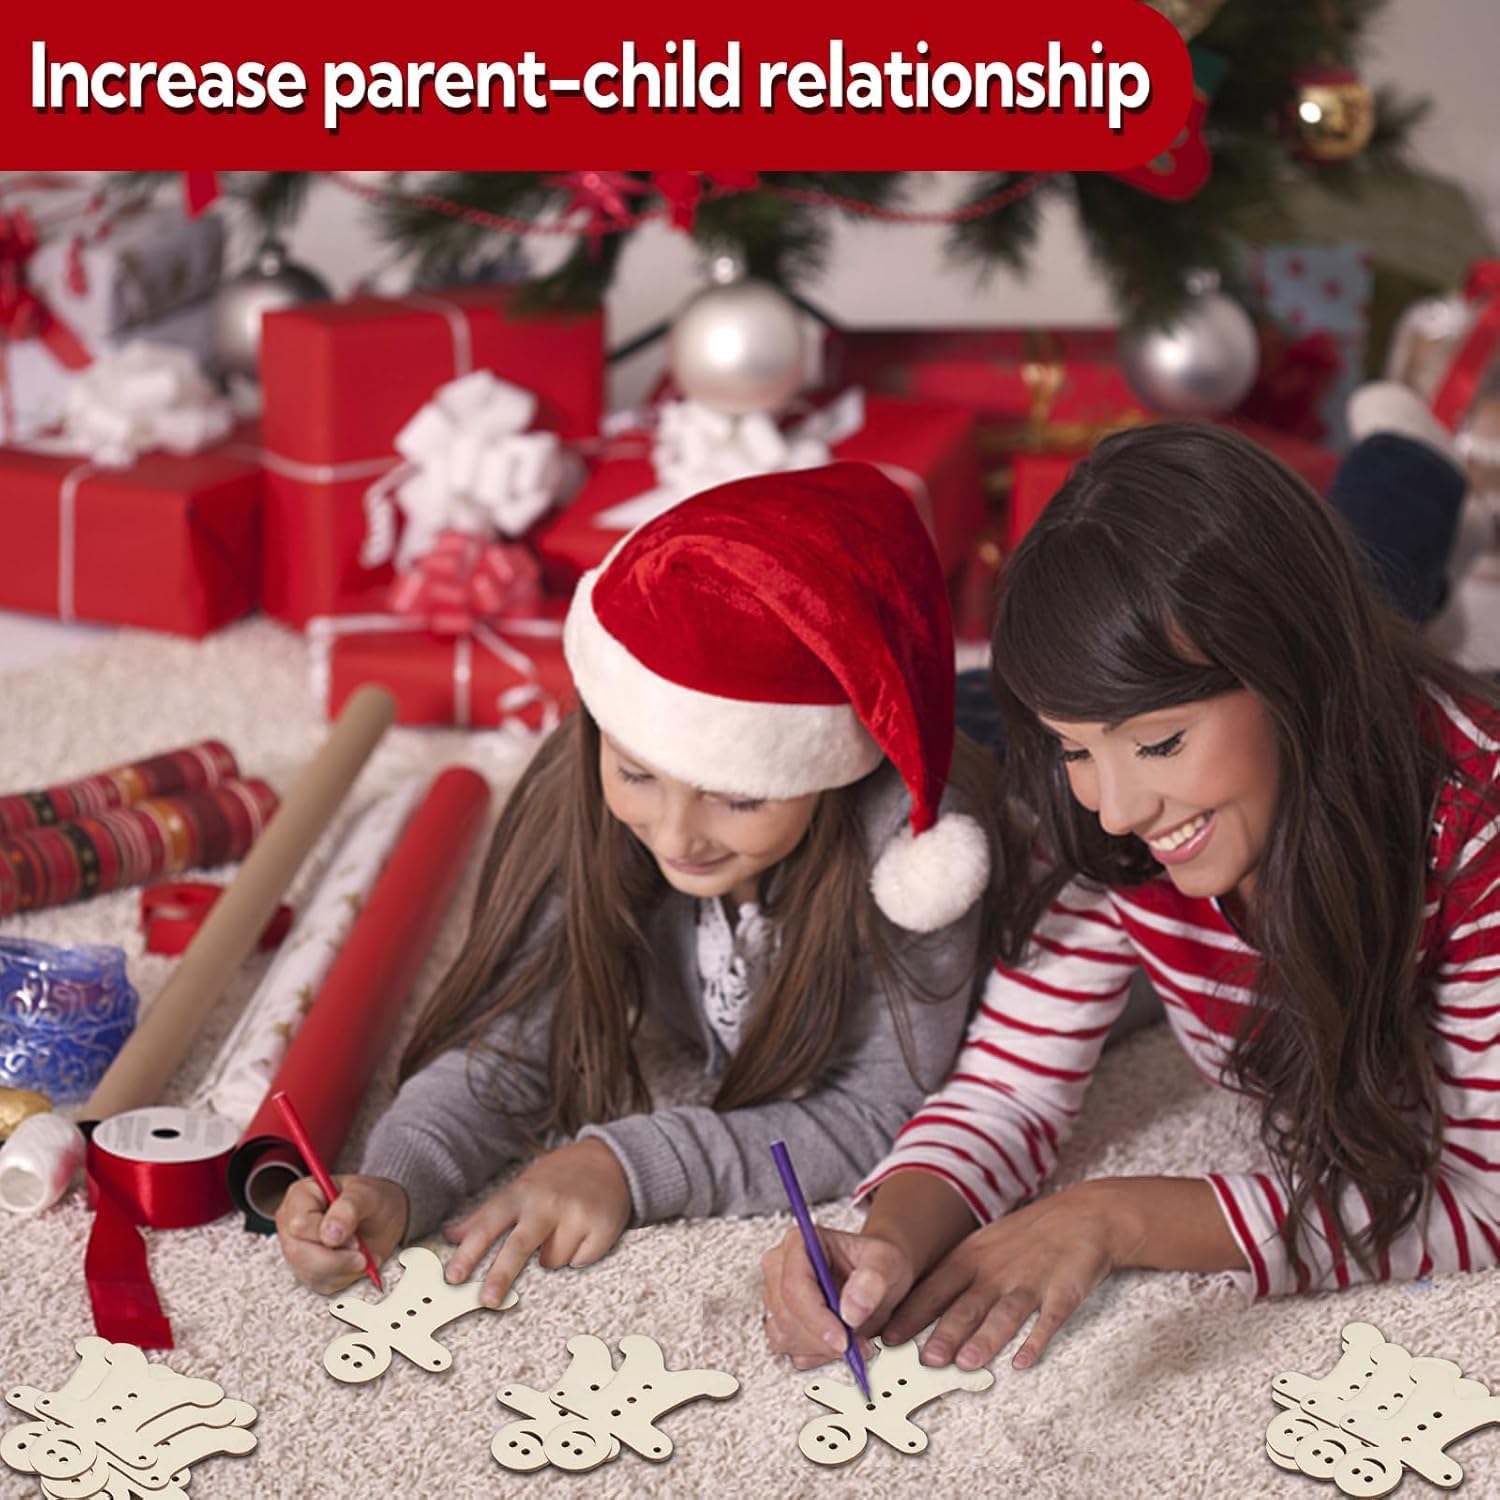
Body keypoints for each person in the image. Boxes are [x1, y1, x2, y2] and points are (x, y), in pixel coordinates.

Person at [762, 401, 1500, 1379]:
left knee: (1387, 580)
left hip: (1406, 733)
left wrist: (1120, 1216)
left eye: (1159, 743)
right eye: (1075, 748)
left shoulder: (1474, 827)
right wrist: (890, 1235)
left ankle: (1415, 461)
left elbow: (1485, 1202)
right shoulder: (1113, 829)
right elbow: (1010, 1084)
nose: (1115, 808)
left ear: (1297, 675)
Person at [276, 461, 1022, 1305]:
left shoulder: (924, 853)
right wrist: (398, 1182)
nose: (674, 837)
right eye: (637, 776)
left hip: (1013, 762)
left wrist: (625, 1165)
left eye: (739, 798)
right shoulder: (595, 779)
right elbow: (512, 1039)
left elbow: (878, 1114)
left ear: (830, 773)